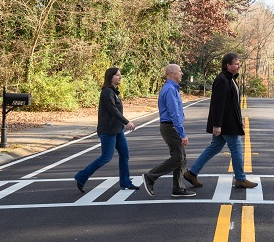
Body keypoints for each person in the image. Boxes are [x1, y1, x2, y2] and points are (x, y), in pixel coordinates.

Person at [184, 53, 258, 189]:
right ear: (227, 65)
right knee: (236, 148)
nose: (238, 65)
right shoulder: (222, 80)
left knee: (215, 147)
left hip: (230, 121)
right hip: (225, 124)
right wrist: (217, 125)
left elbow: (233, 103)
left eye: (238, 63)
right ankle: (240, 179)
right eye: (236, 63)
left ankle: (192, 173)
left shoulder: (231, 79)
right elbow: (217, 104)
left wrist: (239, 119)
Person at [74, 67, 137, 193]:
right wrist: (127, 122)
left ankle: (125, 182)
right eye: (117, 75)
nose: (120, 77)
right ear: (110, 77)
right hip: (108, 130)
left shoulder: (114, 92)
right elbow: (113, 110)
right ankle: (81, 176)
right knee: (106, 157)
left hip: (117, 130)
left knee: (124, 154)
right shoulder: (107, 92)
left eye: (120, 75)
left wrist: (122, 125)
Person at [143, 64, 196, 197]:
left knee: (181, 157)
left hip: (171, 126)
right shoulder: (170, 90)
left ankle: (178, 188)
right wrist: (182, 133)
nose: (182, 73)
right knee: (178, 157)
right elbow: (174, 114)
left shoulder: (172, 88)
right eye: (179, 71)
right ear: (171, 74)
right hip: (170, 127)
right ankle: (150, 176)